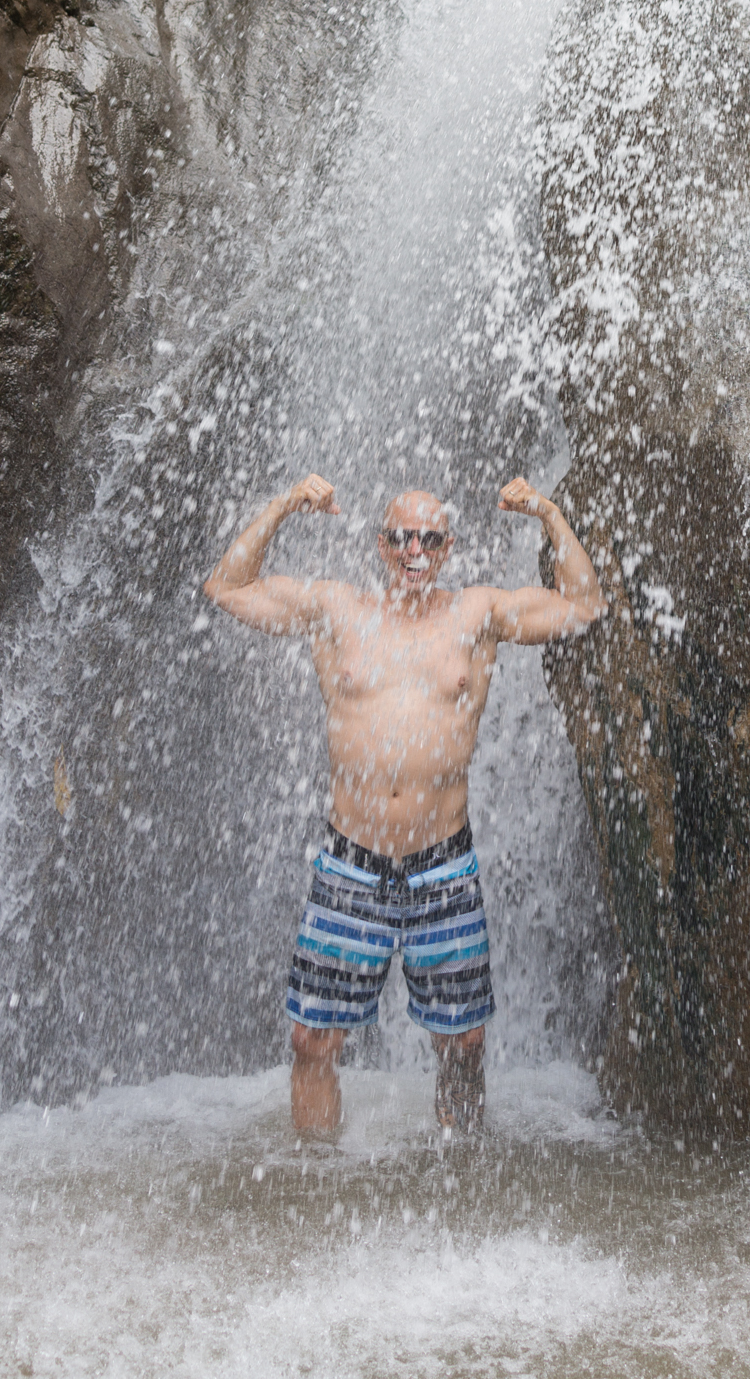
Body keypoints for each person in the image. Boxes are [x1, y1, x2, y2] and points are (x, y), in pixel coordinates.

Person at [204, 472, 604, 1135]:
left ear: (447, 547)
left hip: (441, 865)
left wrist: (545, 512)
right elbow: (228, 586)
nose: (412, 550)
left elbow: (584, 605)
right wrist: (282, 505)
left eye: (427, 538)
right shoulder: (337, 607)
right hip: (350, 863)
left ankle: (459, 1191)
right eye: (398, 537)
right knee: (311, 1042)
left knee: (464, 1048)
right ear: (379, 544)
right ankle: (315, 1184)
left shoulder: (478, 613)